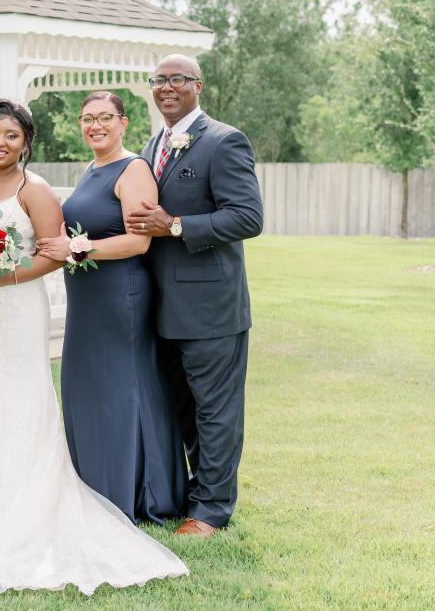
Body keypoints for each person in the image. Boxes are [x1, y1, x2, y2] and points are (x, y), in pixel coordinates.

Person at [0, 99, 188, 595]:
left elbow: (54, 254)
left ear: (27, 144)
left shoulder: (37, 189)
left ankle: (18, 495)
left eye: (12, 136)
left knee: (21, 389)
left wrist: (5, 279)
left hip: (16, 304)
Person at [125, 54, 263, 538]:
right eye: (159, 80)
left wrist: (176, 225)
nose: (167, 87)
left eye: (177, 79)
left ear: (198, 85)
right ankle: (189, 496)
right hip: (161, 305)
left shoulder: (224, 142)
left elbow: (248, 217)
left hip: (211, 308)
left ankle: (210, 512)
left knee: (214, 411)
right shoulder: (152, 144)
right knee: (181, 409)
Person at [37, 91, 188, 525]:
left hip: (120, 297)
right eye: (88, 119)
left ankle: (136, 491)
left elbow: (138, 241)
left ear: (123, 122)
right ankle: (95, 485)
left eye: (105, 117)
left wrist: (76, 249)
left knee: (123, 390)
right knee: (90, 389)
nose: (95, 126)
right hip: (88, 300)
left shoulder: (134, 168)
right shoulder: (91, 169)